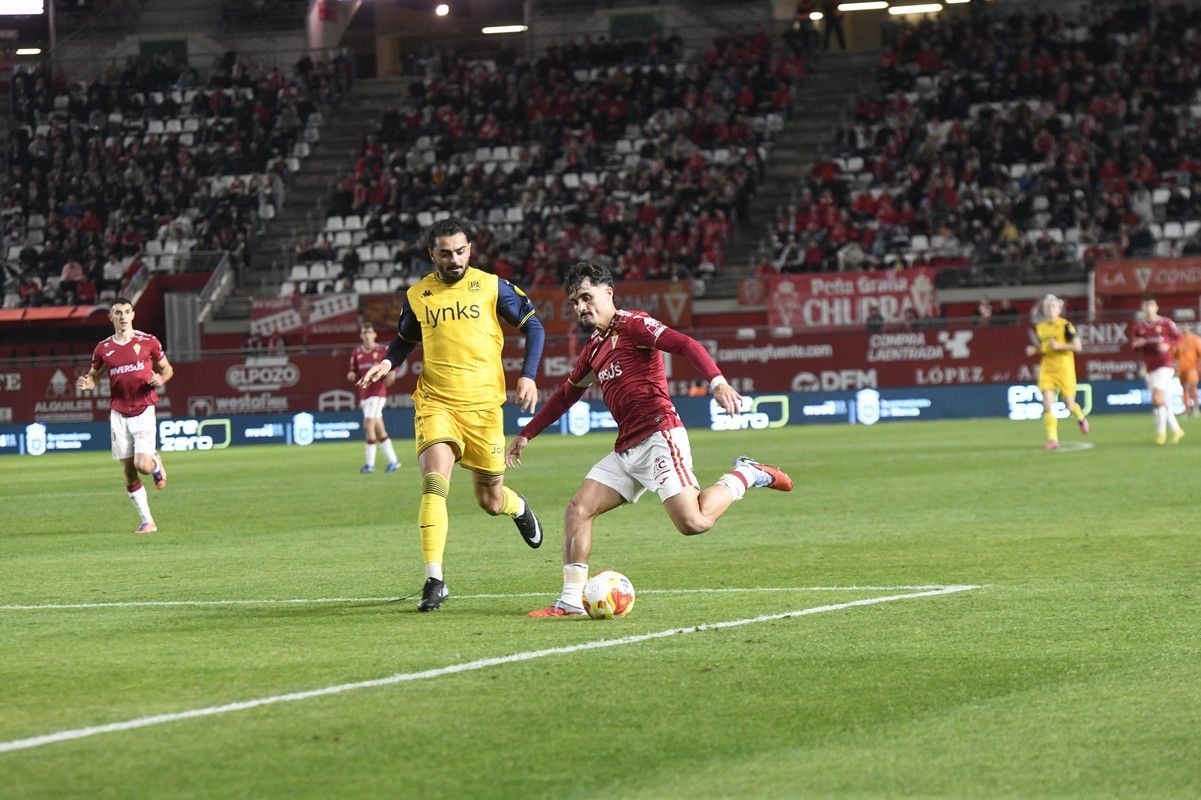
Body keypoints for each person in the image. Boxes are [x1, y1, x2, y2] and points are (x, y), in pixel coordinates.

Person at [505, 262, 793, 618]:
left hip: (659, 435)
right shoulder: (593, 350)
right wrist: (527, 433)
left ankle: (746, 473)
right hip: (626, 448)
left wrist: (717, 381)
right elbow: (566, 395)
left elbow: (685, 344)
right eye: (575, 302)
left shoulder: (634, 325)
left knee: (693, 523)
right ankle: (570, 601)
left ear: (608, 292)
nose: (581, 307)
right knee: (578, 510)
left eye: (586, 297)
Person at [358, 216, 546, 612]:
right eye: (446, 253)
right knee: (433, 483)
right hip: (436, 402)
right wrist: (387, 363)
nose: (455, 259)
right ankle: (434, 579)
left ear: (470, 250)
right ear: (433, 254)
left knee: (490, 500)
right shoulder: (418, 295)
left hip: (484, 408)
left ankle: (517, 506)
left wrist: (528, 376)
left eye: (461, 251)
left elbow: (535, 327)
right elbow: (403, 340)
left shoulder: (491, 286)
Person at [75, 296, 173, 533]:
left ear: (133, 315)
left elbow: (167, 369)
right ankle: (147, 521)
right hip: (119, 415)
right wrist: (88, 383)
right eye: (118, 312)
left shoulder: (148, 341)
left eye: (127, 312)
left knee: (143, 466)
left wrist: (160, 379)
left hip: (143, 411)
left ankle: (155, 463)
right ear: (111, 317)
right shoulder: (103, 348)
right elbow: (94, 376)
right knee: (129, 473)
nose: (123, 317)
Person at [1024, 294, 1089, 450]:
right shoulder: (1040, 328)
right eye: (1047, 307)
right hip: (1047, 369)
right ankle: (1053, 439)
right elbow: (1044, 347)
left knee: (1069, 405)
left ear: (1059, 309)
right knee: (1047, 403)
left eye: (1053, 306)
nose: (1050, 309)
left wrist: (1060, 346)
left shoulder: (1066, 326)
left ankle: (1080, 417)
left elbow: (1078, 346)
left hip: (1064, 369)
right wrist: (1035, 350)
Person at [347, 322, 401, 473]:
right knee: (380, 430)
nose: (367, 335)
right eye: (364, 333)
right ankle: (394, 462)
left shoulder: (383, 350)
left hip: (378, 394)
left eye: (369, 332)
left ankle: (369, 465)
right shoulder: (357, 352)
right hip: (364, 394)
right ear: (361, 335)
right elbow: (353, 370)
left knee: (368, 426)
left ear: (374, 335)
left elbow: (394, 363)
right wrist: (351, 374)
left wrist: (392, 373)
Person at [1131, 296, 1184, 444]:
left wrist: (1168, 345)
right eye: (1145, 306)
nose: (1148, 309)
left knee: (1157, 396)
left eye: (1151, 305)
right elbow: (1135, 347)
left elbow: (1179, 338)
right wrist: (1138, 344)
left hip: (1165, 365)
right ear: (1142, 308)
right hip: (1150, 367)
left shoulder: (1166, 323)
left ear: (1156, 307)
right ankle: (1177, 430)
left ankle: (1161, 433)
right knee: (1158, 401)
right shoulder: (1138, 327)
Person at [1173, 322, 1201, 416]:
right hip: (1182, 369)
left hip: (1192, 368)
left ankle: (1196, 409)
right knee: (1184, 389)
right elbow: (1175, 356)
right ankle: (1187, 410)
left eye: (1186, 326)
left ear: (1189, 328)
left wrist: (1198, 366)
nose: (1184, 328)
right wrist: (1175, 368)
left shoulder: (1195, 339)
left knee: (1191, 387)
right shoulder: (1178, 340)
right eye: (1182, 327)